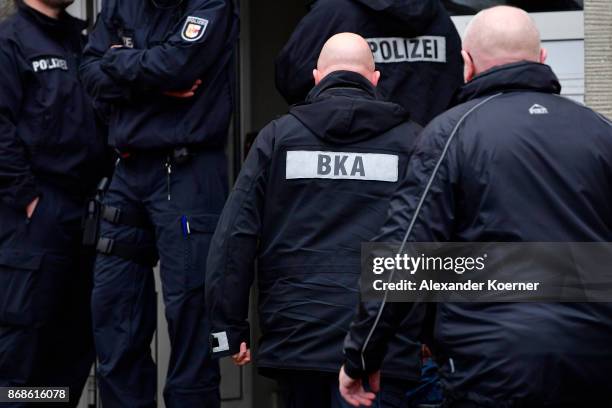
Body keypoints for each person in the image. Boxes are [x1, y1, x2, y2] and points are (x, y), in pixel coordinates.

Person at [340, 6, 612, 408]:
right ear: (542, 60)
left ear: (467, 65)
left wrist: (362, 353)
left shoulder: (450, 134)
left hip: (489, 367)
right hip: (595, 362)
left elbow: (404, 252)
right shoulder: (600, 132)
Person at [206, 32, 423, 408]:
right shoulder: (413, 143)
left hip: (298, 340)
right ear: (375, 80)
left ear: (317, 77)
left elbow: (234, 236)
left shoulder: (278, 139)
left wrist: (228, 327)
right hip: (382, 346)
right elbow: (433, 236)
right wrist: (432, 332)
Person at [79, 1, 238, 407]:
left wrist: (122, 66)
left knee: (189, 315)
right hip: (128, 171)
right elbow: (89, 72)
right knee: (113, 312)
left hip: (188, 172)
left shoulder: (210, 3)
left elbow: (179, 66)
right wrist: (150, 78)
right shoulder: (121, 3)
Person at [0, 0, 108, 406]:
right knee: (22, 352)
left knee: (74, 345)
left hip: (85, 213)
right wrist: (29, 200)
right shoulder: (11, 41)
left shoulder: (82, 43)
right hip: (35, 217)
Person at [275, 0, 463, 127]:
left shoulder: (333, 12)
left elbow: (291, 77)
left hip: (354, 156)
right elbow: (456, 80)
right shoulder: (437, 15)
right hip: (427, 157)